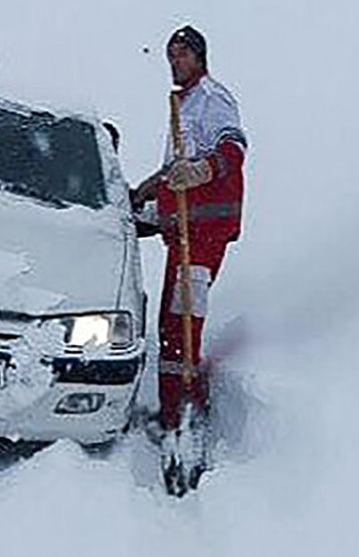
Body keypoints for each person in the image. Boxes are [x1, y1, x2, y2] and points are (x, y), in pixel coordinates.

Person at [131, 25, 247, 435]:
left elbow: (232, 150)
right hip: (182, 233)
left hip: (205, 233)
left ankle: (184, 411)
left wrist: (200, 171)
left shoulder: (212, 99)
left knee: (183, 323)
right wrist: (148, 190)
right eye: (169, 56)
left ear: (199, 56)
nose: (174, 63)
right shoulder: (183, 105)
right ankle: (170, 410)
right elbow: (173, 170)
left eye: (180, 54)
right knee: (171, 323)